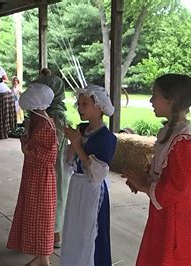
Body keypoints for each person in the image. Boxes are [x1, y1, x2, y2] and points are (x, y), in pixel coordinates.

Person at [121, 74, 191, 266]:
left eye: (154, 95)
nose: (151, 100)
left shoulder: (185, 142)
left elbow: (178, 187)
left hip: (176, 214)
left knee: (171, 256)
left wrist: (145, 186)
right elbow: (164, 170)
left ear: (171, 101)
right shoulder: (171, 131)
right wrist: (143, 179)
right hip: (164, 210)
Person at [61, 85, 117, 266]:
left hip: (92, 190)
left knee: (91, 234)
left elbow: (97, 174)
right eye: (78, 104)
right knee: (74, 230)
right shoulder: (82, 129)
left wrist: (77, 145)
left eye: (85, 104)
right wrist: (72, 143)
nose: (80, 108)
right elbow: (71, 162)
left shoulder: (106, 138)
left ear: (99, 107)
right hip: (77, 187)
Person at [7, 83, 58, 266]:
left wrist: (29, 151)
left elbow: (51, 156)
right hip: (33, 174)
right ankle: (40, 255)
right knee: (33, 215)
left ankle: (44, 259)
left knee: (41, 217)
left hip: (41, 177)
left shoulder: (45, 123)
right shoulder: (38, 120)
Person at [33, 68, 67, 247]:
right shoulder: (50, 110)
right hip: (52, 162)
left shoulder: (56, 114)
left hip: (55, 164)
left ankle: (54, 236)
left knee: (55, 198)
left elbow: (54, 142)